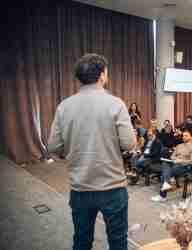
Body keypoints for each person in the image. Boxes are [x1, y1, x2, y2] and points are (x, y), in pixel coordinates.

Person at [48, 54, 136, 250]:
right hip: (113, 187)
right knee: (118, 240)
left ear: (78, 78)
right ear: (103, 75)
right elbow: (129, 144)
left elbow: (53, 146)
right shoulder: (116, 104)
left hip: (80, 188)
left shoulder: (64, 106)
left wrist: (71, 151)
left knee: (81, 240)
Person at [151, 131, 192, 202]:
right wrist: (174, 159)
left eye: (186, 135)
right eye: (183, 136)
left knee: (166, 173)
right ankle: (165, 190)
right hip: (174, 163)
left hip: (184, 167)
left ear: (190, 137)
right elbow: (172, 155)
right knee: (165, 163)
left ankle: (162, 195)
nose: (184, 137)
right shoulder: (179, 145)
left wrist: (180, 161)